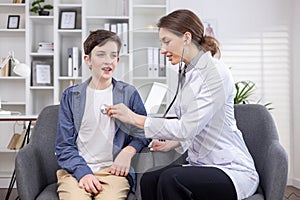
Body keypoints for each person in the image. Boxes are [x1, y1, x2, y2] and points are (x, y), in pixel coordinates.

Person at [106, 9, 259, 200]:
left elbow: (186, 127)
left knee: (172, 179)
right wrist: (174, 143)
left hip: (230, 169)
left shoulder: (215, 74)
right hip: (202, 166)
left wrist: (134, 118)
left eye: (166, 41)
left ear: (186, 37)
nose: (162, 50)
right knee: (149, 180)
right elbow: (197, 125)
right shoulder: (189, 73)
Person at [55, 29, 149, 200]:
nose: (108, 61)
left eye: (113, 55)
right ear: (88, 60)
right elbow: (63, 146)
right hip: (76, 171)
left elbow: (145, 130)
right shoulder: (70, 96)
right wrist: (83, 173)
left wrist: (128, 151)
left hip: (113, 172)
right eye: (100, 55)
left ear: (118, 60)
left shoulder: (129, 93)